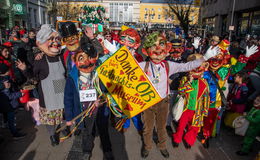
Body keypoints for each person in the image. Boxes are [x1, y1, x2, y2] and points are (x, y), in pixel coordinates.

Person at [139, 31, 220, 158]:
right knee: (147, 128)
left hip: (163, 102)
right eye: (153, 46)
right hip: (148, 102)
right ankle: (147, 146)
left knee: (161, 127)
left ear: (166, 49)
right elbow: (125, 70)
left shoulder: (168, 65)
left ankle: (162, 146)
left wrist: (204, 57)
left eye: (161, 45)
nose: (158, 49)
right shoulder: (143, 65)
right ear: (146, 50)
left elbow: (188, 66)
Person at [16, 24, 65, 146]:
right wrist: (25, 69)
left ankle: (59, 129)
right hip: (48, 95)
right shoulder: (40, 60)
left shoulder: (61, 57)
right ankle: (52, 135)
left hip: (61, 91)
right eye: (51, 39)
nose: (55, 42)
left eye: (56, 39)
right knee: (50, 121)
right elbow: (34, 79)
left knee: (59, 116)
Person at [64, 41, 114, 160]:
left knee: (103, 131)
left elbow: (106, 90)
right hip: (83, 112)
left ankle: (107, 150)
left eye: (90, 57)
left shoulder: (99, 73)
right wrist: (69, 117)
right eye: (82, 58)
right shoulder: (72, 77)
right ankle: (86, 150)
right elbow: (68, 98)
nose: (86, 62)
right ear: (75, 59)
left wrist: (101, 99)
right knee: (86, 133)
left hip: (100, 111)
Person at [172, 53, 210, 149]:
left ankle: (189, 141)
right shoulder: (185, 79)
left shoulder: (204, 82)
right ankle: (177, 139)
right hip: (186, 108)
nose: (197, 70)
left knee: (194, 128)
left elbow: (206, 97)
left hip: (197, 110)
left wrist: (205, 110)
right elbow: (181, 91)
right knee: (181, 126)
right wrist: (189, 81)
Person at [0, 63, 26, 139]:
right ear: (6, 71)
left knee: (10, 119)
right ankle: (15, 134)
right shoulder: (5, 81)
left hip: (5, 104)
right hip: (8, 105)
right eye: (8, 70)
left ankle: (13, 129)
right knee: (11, 120)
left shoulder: (5, 79)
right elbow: (9, 96)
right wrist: (20, 94)